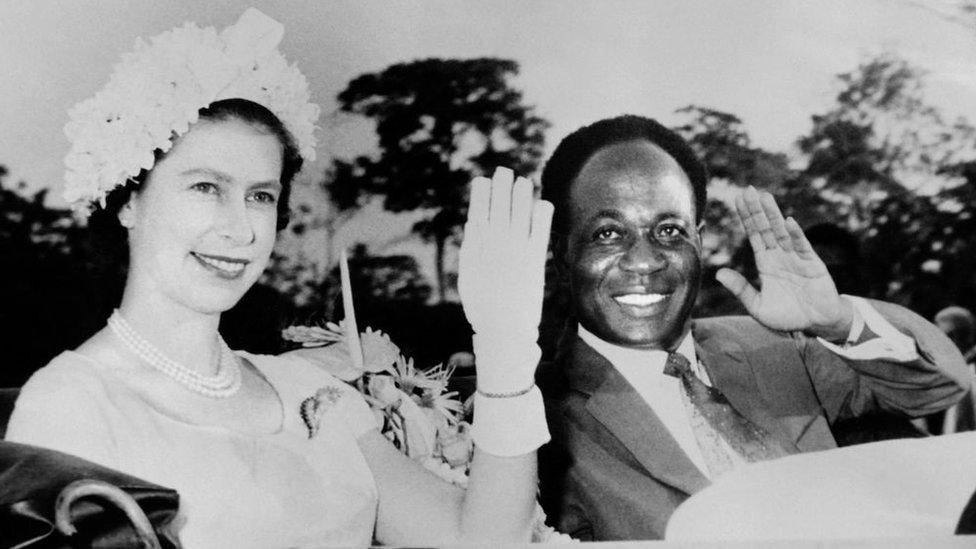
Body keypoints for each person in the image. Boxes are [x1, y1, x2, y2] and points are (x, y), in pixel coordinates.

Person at [5, 10, 553, 547]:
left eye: (260, 196)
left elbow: (481, 541)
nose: (240, 228)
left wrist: (505, 347)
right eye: (205, 187)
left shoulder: (314, 395)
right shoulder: (73, 403)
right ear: (128, 199)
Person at [534, 114, 970, 541]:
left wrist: (839, 320)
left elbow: (944, 388)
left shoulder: (776, 347)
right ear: (562, 252)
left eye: (669, 230)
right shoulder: (533, 421)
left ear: (699, 241)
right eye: (608, 234)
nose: (645, 260)